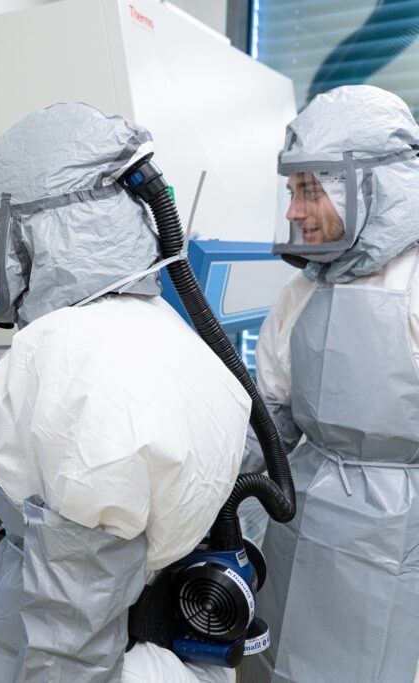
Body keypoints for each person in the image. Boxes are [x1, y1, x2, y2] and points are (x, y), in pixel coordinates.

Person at [0, 102, 251, 682]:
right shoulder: (164, 330)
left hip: (84, 649)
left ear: (37, 231)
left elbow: (73, 626)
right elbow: (6, 430)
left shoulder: (69, 356)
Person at [241, 85, 419, 683]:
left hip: (398, 542)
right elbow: (267, 425)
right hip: (300, 525)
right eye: (292, 191)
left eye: (310, 190)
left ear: (370, 186)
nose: (294, 211)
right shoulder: (300, 292)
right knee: (280, 659)